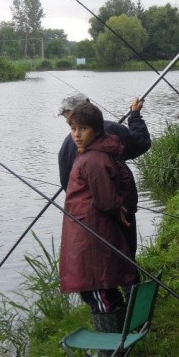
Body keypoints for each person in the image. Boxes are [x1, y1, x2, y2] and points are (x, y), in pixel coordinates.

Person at [59, 102, 138, 339]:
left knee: (97, 291)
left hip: (91, 234)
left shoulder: (92, 159)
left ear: (96, 130)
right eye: (73, 128)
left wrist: (118, 208)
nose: (76, 134)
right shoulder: (99, 153)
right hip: (94, 230)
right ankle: (125, 337)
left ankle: (113, 348)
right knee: (106, 288)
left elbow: (105, 200)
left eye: (82, 129)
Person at [57, 92, 150, 260]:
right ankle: (129, 284)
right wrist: (134, 116)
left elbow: (66, 184)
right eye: (71, 125)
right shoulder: (113, 130)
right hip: (122, 207)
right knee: (126, 255)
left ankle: (112, 285)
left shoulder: (67, 144)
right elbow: (142, 143)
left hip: (87, 216)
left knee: (99, 260)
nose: (75, 131)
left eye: (67, 115)